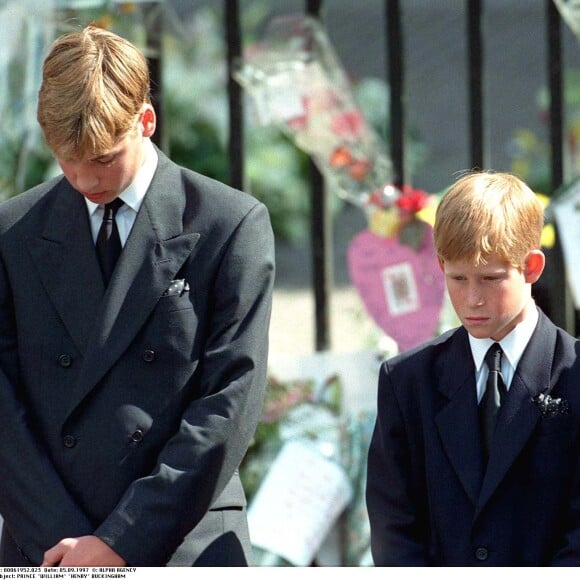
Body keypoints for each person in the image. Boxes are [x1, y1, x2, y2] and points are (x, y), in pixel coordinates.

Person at [0, 25, 275, 567]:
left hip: (183, 539)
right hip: (45, 544)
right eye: (66, 159)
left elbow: (229, 402)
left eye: (102, 158)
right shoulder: (13, 232)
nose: (83, 179)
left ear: (146, 122)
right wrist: (66, 542)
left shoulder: (230, 224)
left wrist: (120, 541)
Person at [366, 171, 580, 565]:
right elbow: (394, 525)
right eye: (458, 278)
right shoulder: (408, 382)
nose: (472, 299)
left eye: (490, 278)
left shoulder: (574, 373)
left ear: (531, 268)